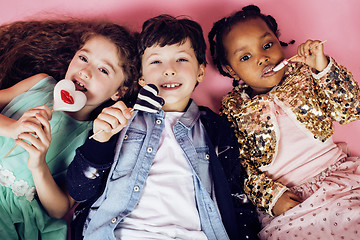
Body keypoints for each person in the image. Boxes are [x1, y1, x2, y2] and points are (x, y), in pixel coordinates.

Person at [67, 14, 260, 240]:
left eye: (181, 60)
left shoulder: (215, 129)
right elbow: (78, 190)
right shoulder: (118, 117)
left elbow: (237, 197)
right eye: (156, 61)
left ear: (200, 71)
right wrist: (100, 141)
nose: (169, 70)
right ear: (141, 77)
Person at [208, 4, 360, 239]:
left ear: (279, 43)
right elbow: (240, 167)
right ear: (232, 70)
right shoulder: (233, 110)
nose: (262, 58)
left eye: (267, 45)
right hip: (290, 202)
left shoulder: (306, 76)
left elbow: (350, 110)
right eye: (246, 57)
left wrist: (322, 68)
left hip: (340, 181)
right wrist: (271, 197)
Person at [0, 21, 139, 239]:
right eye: (83, 58)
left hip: (13, 217)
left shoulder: (91, 141)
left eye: (103, 70)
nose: (85, 71)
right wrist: (14, 128)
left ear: (118, 93)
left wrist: (38, 165)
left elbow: (59, 209)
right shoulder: (40, 83)